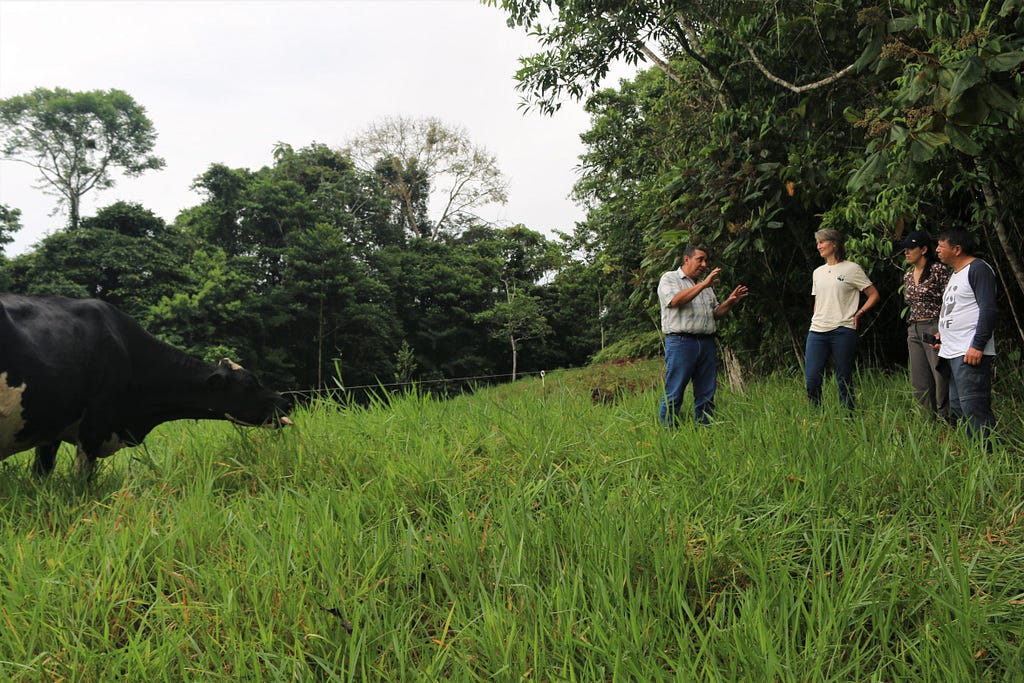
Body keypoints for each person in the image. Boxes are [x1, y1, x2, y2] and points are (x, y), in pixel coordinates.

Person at [658, 245, 748, 426]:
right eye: (700, 259)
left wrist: (730, 302)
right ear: (686, 260)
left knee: (706, 391)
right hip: (681, 342)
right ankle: (668, 432)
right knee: (674, 391)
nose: (704, 264)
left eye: (706, 260)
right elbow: (675, 301)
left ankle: (706, 427)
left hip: (706, 342)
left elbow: (714, 313)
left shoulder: (704, 285)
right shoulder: (670, 278)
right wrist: (703, 284)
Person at [805, 228, 880, 410]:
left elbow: (873, 294)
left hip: (843, 330)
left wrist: (859, 313)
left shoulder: (852, 268)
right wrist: (816, 317)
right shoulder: (818, 272)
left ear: (834, 244)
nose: (819, 246)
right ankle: (817, 415)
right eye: (818, 243)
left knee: (844, 377)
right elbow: (818, 300)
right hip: (817, 330)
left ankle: (849, 417)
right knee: (812, 377)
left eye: (822, 242)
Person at [933, 229, 997, 443]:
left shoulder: (978, 269)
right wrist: (942, 335)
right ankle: (973, 456)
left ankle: (987, 457)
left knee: (974, 407)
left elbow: (987, 309)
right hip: (952, 351)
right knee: (959, 407)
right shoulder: (955, 274)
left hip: (968, 350)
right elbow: (956, 309)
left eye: (941, 246)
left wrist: (978, 345)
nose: (937, 250)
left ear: (957, 249)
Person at [898, 230, 951, 419]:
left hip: (934, 325)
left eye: (910, 248)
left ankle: (946, 417)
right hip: (914, 327)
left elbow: (950, 300)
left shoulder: (938, 270)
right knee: (919, 378)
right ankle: (926, 420)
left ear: (923, 249)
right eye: (905, 248)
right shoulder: (908, 275)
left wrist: (944, 329)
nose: (906, 252)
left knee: (939, 374)